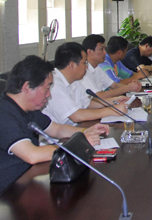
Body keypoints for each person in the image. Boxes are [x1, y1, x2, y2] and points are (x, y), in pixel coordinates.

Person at [0, 55, 109, 194]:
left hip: (28, 180)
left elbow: (57, 129)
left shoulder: (28, 110)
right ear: (27, 87)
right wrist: (79, 145)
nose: (49, 95)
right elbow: (32, 155)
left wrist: (85, 132)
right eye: (46, 88)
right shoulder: (4, 114)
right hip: (9, 192)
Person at [42, 42, 129, 126]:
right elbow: (76, 116)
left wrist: (114, 101)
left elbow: (87, 104)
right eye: (84, 63)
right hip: (62, 134)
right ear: (72, 65)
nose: (87, 67)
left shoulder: (75, 80)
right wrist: (112, 110)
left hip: (78, 127)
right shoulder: (54, 84)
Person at [80, 34, 141, 99]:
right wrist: (127, 88)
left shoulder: (97, 68)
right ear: (90, 52)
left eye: (104, 49)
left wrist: (132, 86)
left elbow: (114, 85)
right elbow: (99, 96)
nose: (105, 52)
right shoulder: (83, 72)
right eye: (101, 49)